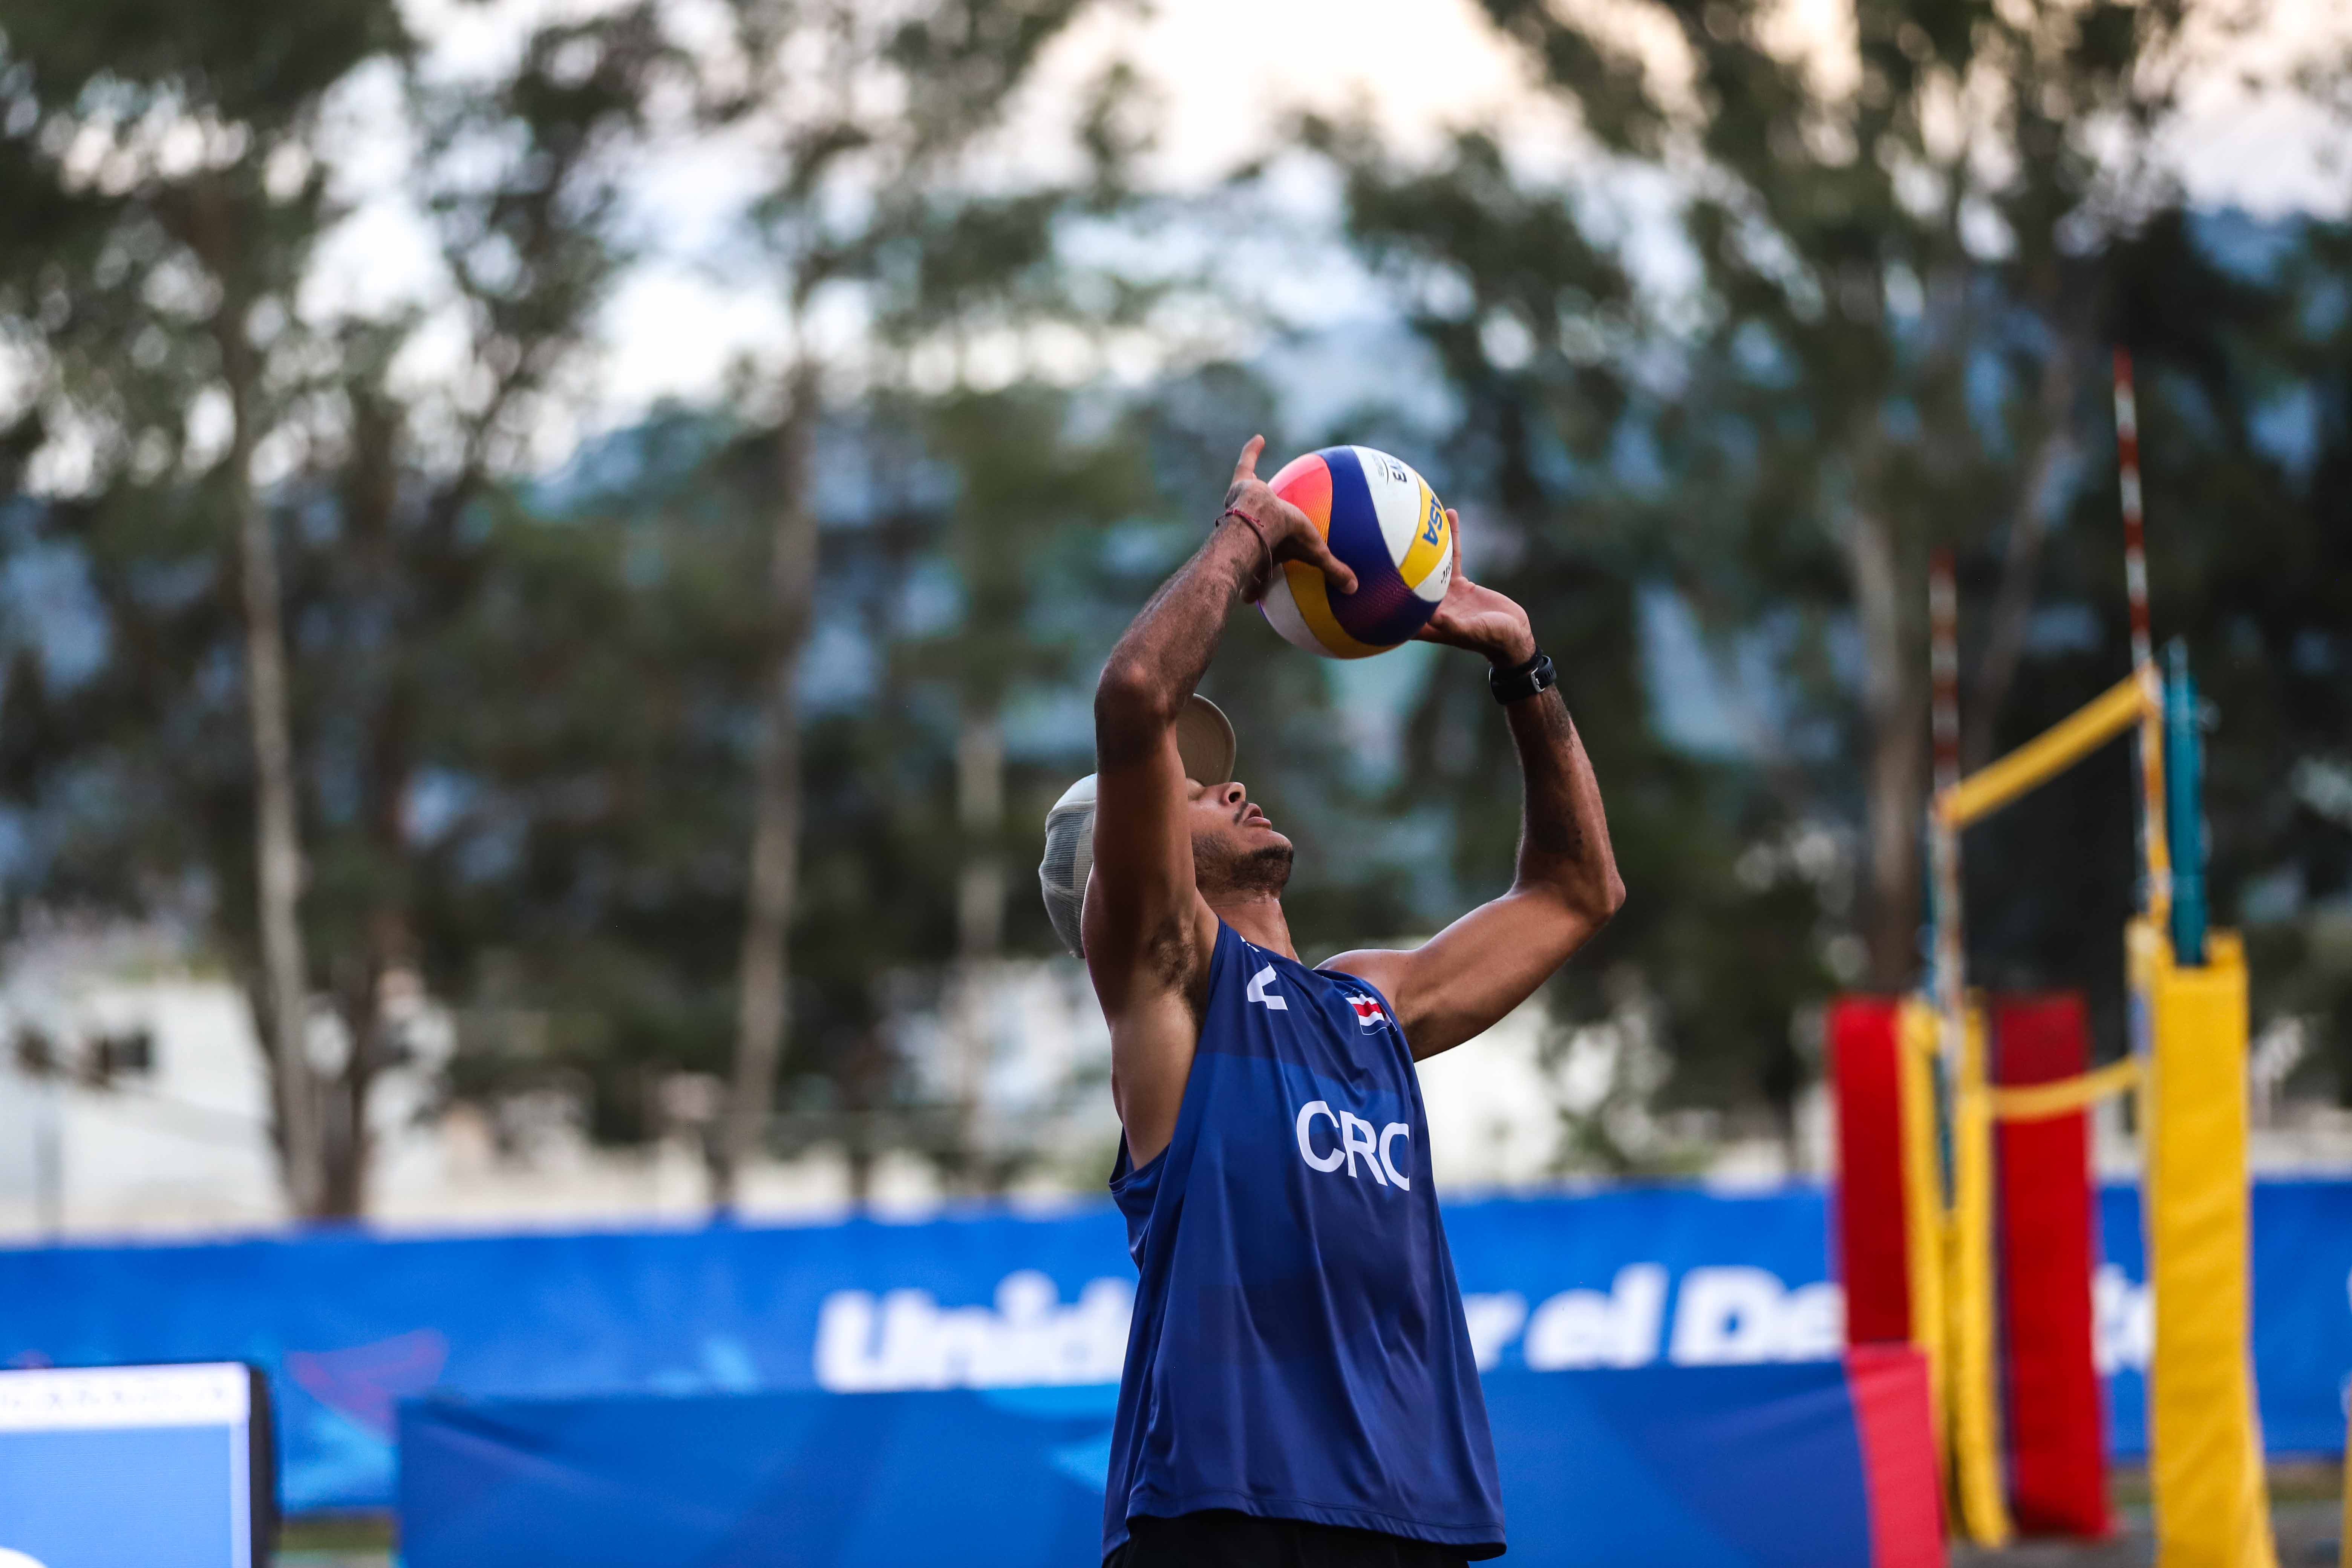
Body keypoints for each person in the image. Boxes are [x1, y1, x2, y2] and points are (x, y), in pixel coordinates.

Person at [1038, 437, 1625, 1568]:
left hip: (1412, 1514)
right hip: (1233, 1514)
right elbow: (1136, 696)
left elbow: (1577, 891)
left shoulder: (1367, 1003)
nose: (1231, 787)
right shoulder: (1173, 984)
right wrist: (1249, 533)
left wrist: (1522, 666)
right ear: (1126, 866)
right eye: (1191, 794)